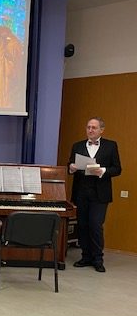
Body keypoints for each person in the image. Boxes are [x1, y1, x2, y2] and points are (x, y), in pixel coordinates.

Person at [68, 117, 121, 273]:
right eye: (88, 127)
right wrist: (71, 167)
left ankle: (98, 259)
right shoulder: (77, 146)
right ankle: (85, 257)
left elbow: (117, 169)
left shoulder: (111, 146)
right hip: (81, 192)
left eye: (94, 127)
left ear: (101, 130)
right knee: (82, 225)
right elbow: (70, 165)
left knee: (95, 225)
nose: (90, 130)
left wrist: (102, 170)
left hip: (100, 193)